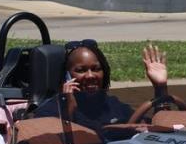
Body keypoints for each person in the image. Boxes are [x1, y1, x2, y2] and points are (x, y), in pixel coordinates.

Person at [36, 41, 169, 129]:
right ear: (67, 76)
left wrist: (160, 87)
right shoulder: (48, 112)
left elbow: (161, 128)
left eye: (96, 69)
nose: (90, 76)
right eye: (81, 70)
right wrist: (69, 107)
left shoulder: (112, 105)